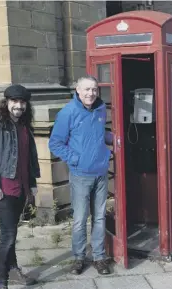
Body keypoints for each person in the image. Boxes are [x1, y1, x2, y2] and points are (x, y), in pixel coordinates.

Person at [49, 76, 113, 276]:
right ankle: (78, 258)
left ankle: (99, 257)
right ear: (77, 90)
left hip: (101, 173)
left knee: (100, 217)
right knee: (80, 218)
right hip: (80, 175)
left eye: (94, 89)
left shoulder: (100, 109)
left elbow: (98, 134)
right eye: (86, 89)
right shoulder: (68, 112)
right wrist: (75, 160)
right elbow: (55, 143)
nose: (91, 93)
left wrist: (114, 139)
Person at [0, 84, 40, 289]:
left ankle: (14, 270)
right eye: (14, 102)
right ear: (6, 102)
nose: (19, 106)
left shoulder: (25, 125)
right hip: (4, 190)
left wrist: (33, 182)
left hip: (22, 188)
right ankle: (1, 286)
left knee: (13, 232)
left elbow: (30, 156)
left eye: (22, 102)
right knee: (7, 237)